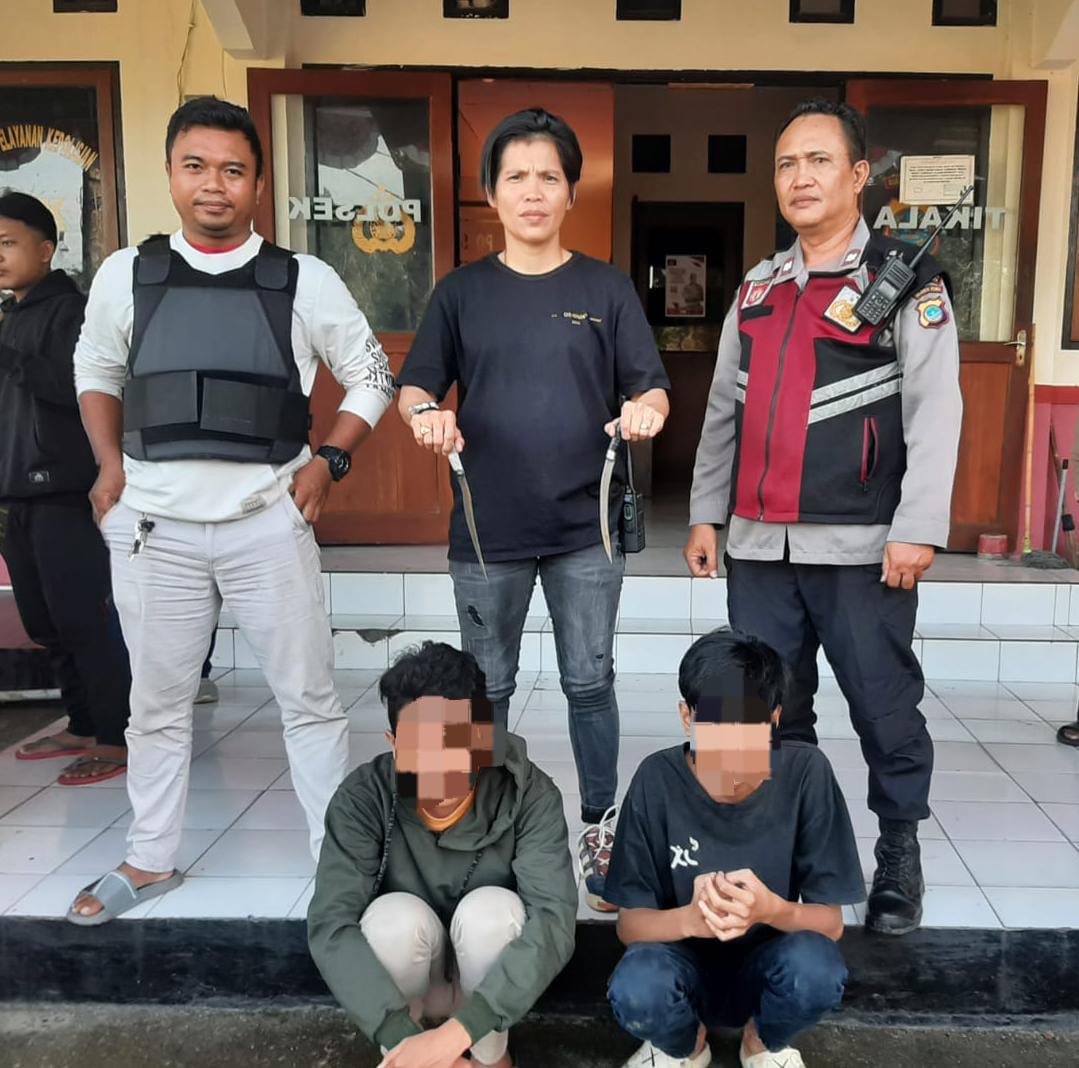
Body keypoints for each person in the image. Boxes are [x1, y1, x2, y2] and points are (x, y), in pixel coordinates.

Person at [66, 96, 395, 924]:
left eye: (233, 170)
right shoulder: (126, 274)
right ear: (170, 174)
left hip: (265, 521)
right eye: (196, 166)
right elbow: (96, 370)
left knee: (309, 700)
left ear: (257, 183)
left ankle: (338, 863)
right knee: (156, 705)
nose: (213, 185)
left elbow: (371, 375)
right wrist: (108, 465)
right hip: (154, 527)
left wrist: (329, 461)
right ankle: (149, 858)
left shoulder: (302, 279)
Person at [684, 99, 962, 936]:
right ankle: (792, 850)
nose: (799, 177)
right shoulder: (757, 289)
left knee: (882, 705)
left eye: (817, 161)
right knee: (768, 710)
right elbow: (722, 413)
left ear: (857, 175)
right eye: (784, 164)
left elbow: (934, 408)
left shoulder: (904, 281)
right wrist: (705, 514)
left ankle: (898, 851)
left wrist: (917, 525)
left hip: (862, 548)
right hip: (758, 548)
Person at [396, 108, 671, 908]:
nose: (532, 191)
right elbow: (415, 386)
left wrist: (646, 410)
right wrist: (425, 415)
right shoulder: (461, 293)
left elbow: (649, 385)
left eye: (549, 176)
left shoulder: (604, 287)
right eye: (515, 176)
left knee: (590, 680)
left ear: (571, 192)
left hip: (586, 529)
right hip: (489, 530)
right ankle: (483, 827)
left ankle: (599, 826)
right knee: (486, 686)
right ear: (491, 192)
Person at [308, 641, 576, 1068]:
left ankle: (489, 1058)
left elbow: (553, 920)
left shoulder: (528, 792)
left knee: (492, 913)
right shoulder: (363, 797)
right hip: (413, 979)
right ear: (394, 744)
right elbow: (331, 925)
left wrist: (458, 1036)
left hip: (490, 985)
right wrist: (413, 1046)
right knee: (391, 921)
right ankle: (408, 1053)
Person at [604, 629, 864, 1068]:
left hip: (768, 961)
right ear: (687, 717)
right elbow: (630, 926)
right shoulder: (656, 779)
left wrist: (769, 910)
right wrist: (692, 919)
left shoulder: (806, 774)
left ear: (775, 720)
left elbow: (831, 924)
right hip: (677, 957)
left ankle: (762, 1040)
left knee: (818, 971)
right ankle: (687, 1045)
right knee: (637, 987)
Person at [0, 192, 132, 786]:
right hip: (15, 493)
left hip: (63, 488)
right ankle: (81, 723)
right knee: (43, 622)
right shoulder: (12, 315)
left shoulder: (71, 312)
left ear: (46, 250)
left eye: (8, 243)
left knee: (83, 619)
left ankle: (115, 735)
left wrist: (6, 353)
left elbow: (71, 387)